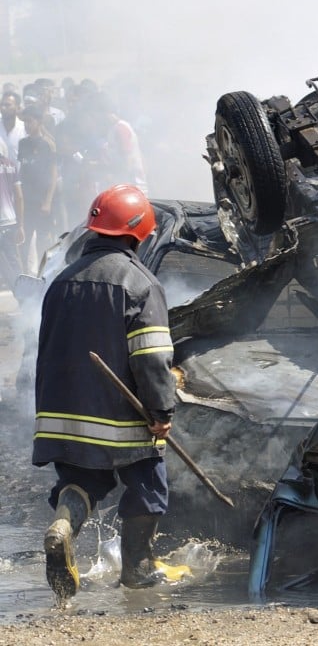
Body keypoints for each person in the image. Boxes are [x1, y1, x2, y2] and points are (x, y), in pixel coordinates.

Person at [32, 184, 175, 599]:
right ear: (138, 233)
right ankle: (139, 571)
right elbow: (151, 358)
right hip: (118, 416)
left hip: (61, 412)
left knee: (82, 481)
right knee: (148, 483)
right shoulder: (140, 284)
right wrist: (161, 410)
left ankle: (63, 526)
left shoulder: (62, 280)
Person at [17, 104, 58, 265]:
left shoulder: (48, 144)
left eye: (30, 121)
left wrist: (47, 202)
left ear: (39, 122)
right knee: (24, 239)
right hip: (27, 200)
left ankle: (44, 271)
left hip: (42, 201)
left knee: (43, 239)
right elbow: (21, 170)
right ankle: (25, 272)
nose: (27, 125)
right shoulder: (22, 143)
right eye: (25, 121)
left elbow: (53, 175)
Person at [0, 140, 24, 289]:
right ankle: (26, 300)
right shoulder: (11, 165)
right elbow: (19, 197)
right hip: (10, 221)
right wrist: (21, 225)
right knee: (13, 262)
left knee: (5, 265)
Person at [0, 91, 27, 164]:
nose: (3, 108)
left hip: (19, 174)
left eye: (7, 105)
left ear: (18, 108)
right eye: (1, 105)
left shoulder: (25, 129)